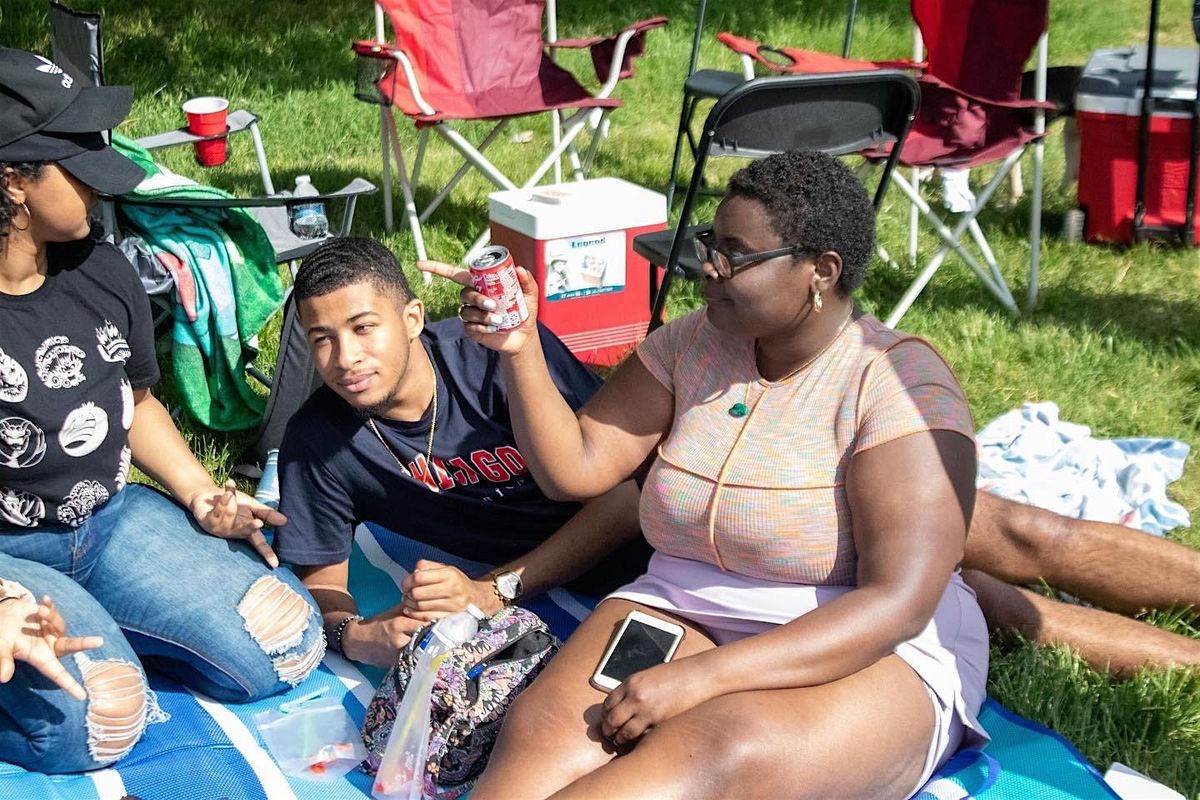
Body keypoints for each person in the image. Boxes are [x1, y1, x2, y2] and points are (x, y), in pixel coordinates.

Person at [431, 149, 990, 800]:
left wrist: (701, 679)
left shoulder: (897, 383)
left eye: (736, 254)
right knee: (542, 729)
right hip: (683, 601)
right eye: (710, 243)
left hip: (861, 636)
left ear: (821, 271)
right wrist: (520, 348)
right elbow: (575, 468)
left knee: (713, 753)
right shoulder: (690, 344)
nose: (708, 268)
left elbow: (897, 604)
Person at [0, 48, 324, 774]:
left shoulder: (101, 267)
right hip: (5, 556)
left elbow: (134, 402)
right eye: (76, 155)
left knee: (288, 643)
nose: (103, 174)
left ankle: (110, 619)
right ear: (12, 180)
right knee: (99, 723)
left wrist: (200, 492)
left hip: (112, 522)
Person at [272, 237, 649, 668]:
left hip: (645, 568)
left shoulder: (497, 355)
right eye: (322, 339)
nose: (345, 357)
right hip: (534, 604)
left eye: (363, 328)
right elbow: (321, 578)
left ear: (412, 318)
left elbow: (628, 499)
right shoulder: (317, 439)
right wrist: (357, 636)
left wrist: (494, 590)